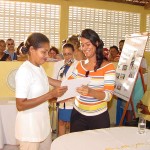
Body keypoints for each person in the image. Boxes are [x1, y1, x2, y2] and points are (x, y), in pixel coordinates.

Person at [15, 33, 68, 150]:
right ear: (32, 49)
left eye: (48, 52)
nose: (47, 56)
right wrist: (50, 95)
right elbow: (20, 105)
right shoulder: (24, 71)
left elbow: (54, 82)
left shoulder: (39, 68)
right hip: (30, 130)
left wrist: (73, 85)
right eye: (43, 52)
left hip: (43, 126)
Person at [69, 29, 116, 132]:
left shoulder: (108, 67)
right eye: (82, 45)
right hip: (77, 115)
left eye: (88, 44)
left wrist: (91, 92)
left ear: (97, 43)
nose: (85, 48)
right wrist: (46, 79)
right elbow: (68, 84)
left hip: (98, 117)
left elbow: (108, 96)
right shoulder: (79, 65)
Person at [53, 43, 78, 136]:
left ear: (74, 53)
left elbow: (77, 82)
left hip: (72, 99)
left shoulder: (78, 65)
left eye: (69, 54)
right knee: (61, 122)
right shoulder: (58, 64)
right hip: (60, 98)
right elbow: (54, 79)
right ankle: (61, 143)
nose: (67, 57)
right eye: (65, 54)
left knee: (71, 124)